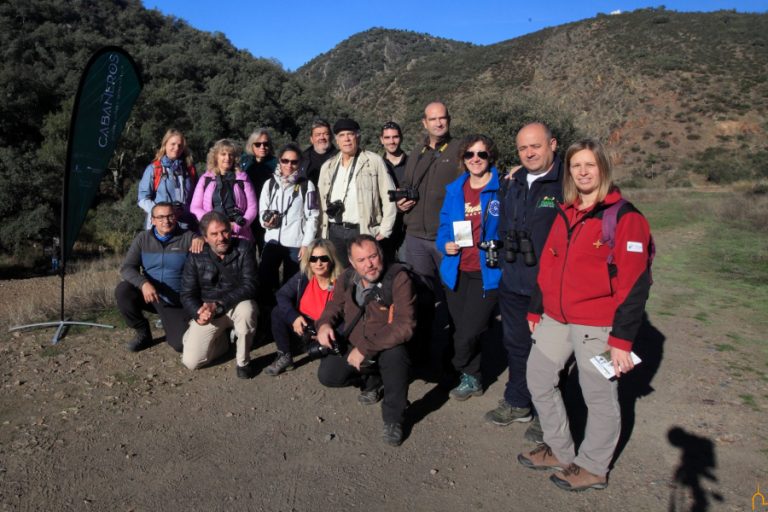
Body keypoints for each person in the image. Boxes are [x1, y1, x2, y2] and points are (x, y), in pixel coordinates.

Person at [517, 139, 652, 492]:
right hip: (555, 317)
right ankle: (560, 450)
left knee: (598, 395)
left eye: (589, 165)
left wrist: (621, 341)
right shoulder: (567, 211)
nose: (582, 172)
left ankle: (593, 466)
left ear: (603, 168)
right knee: (538, 378)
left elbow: (636, 284)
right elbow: (549, 263)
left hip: (597, 324)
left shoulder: (625, 217)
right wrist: (536, 307)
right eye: (576, 165)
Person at [484, 122, 564, 442]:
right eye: (523, 148)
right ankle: (518, 401)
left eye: (536, 146)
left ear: (553, 144)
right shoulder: (513, 181)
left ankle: (549, 414)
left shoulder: (566, 183)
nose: (529, 153)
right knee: (516, 346)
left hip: (550, 285)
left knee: (551, 353)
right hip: (514, 278)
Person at [315, 235, 416, 446]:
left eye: (373, 256)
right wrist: (324, 324)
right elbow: (334, 306)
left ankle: (394, 418)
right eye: (361, 260)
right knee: (328, 375)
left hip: (387, 344)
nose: (369, 264)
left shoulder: (398, 278)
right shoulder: (347, 277)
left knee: (395, 358)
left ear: (381, 254)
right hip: (357, 341)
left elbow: (404, 326)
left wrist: (364, 348)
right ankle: (372, 381)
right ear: (352, 262)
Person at [436, 135, 502, 400]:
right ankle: (472, 376)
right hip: (456, 269)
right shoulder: (455, 189)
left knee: (468, 331)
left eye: (482, 154)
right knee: (461, 326)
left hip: (486, 271)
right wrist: (445, 244)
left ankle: (455, 364)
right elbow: (443, 226)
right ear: (463, 159)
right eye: (470, 154)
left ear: (490, 157)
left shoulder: (503, 188)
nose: (476, 159)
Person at [115, 202, 203, 352]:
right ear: (153, 220)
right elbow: (127, 268)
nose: (166, 221)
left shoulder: (188, 237)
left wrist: (202, 239)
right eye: (160, 217)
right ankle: (142, 331)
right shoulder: (143, 239)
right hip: (150, 296)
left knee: (180, 345)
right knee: (123, 290)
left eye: (170, 216)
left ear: (176, 217)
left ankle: (178, 322)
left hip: (176, 301)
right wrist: (143, 284)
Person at [180, 211, 259, 379]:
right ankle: (223, 341)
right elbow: (187, 293)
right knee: (191, 362)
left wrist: (219, 305)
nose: (221, 238)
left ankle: (243, 362)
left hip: (235, 304)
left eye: (224, 231)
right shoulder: (195, 255)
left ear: (231, 230)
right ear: (205, 238)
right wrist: (197, 313)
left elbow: (250, 285)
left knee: (247, 310)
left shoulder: (244, 248)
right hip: (208, 310)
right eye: (214, 234)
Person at [397, 102, 462, 291]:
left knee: (453, 290)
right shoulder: (417, 152)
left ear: (448, 120)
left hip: (446, 236)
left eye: (442, 118)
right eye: (433, 119)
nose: (438, 123)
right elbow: (406, 183)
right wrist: (400, 203)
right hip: (416, 236)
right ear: (425, 123)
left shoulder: (460, 150)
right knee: (422, 292)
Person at [317, 118, 396, 267]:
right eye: (341, 135)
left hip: (362, 229)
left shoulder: (373, 162)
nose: (346, 139)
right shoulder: (328, 166)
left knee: (365, 272)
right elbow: (320, 201)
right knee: (339, 274)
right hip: (334, 230)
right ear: (336, 140)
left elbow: (389, 196)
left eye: (350, 134)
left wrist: (385, 230)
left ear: (357, 136)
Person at [257, 143, 320, 329]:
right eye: (285, 161)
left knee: (292, 286)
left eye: (294, 162)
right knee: (266, 282)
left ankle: (291, 323)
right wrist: (265, 222)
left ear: (299, 163)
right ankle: (267, 322)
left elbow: (313, 216)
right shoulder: (270, 184)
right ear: (279, 161)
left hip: (295, 243)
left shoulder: (306, 186)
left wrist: (306, 243)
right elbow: (262, 211)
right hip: (273, 241)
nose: (289, 165)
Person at [264, 238, 343, 376]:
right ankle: (284, 355)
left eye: (324, 258)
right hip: (303, 323)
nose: (318, 263)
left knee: (330, 368)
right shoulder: (304, 276)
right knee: (278, 312)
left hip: (327, 326)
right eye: (313, 258)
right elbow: (282, 295)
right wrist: (294, 317)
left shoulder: (341, 282)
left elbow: (345, 313)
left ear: (331, 260)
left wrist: (325, 329)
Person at [190, 139, 258, 241]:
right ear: (216, 156)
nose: (227, 158)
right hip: (213, 235)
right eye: (223, 154)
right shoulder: (206, 179)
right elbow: (195, 207)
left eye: (231, 154)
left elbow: (252, 208)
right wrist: (211, 224)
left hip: (239, 235)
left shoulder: (242, 178)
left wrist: (237, 226)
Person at [137, 129, 197, 230]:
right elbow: (142, 199)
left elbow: (196, 199)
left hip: (185, 226)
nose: (176, 148)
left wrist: (184, 210)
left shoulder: (189, 170)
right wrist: (165, 213)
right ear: (165, 145)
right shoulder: (154, 169)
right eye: (172, 144)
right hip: (160, 228)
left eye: (180, 145)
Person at [241, 128, 279, 254]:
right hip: (247, 215)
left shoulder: (276, 164)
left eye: (266, 144)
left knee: (266, 255)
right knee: (247, 254)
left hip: (267, 215)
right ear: (251, 145)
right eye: (258, 144)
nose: (262, 147)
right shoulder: (243, 163)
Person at [380, 121, 408, 262]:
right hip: (384, 226)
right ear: (381, 140)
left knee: (408, 267)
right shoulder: (376, 165)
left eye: (395, 137)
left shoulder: (413, 163)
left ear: (401, 138)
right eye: (387, 138)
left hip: (408, 227)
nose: (392, 141)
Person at [300, 119, 338, 187]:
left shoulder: (340, 157)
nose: (322, 137)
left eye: (326, 134)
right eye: (318, 135)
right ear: (311, 139)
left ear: (331, 137)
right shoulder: (301, 159)